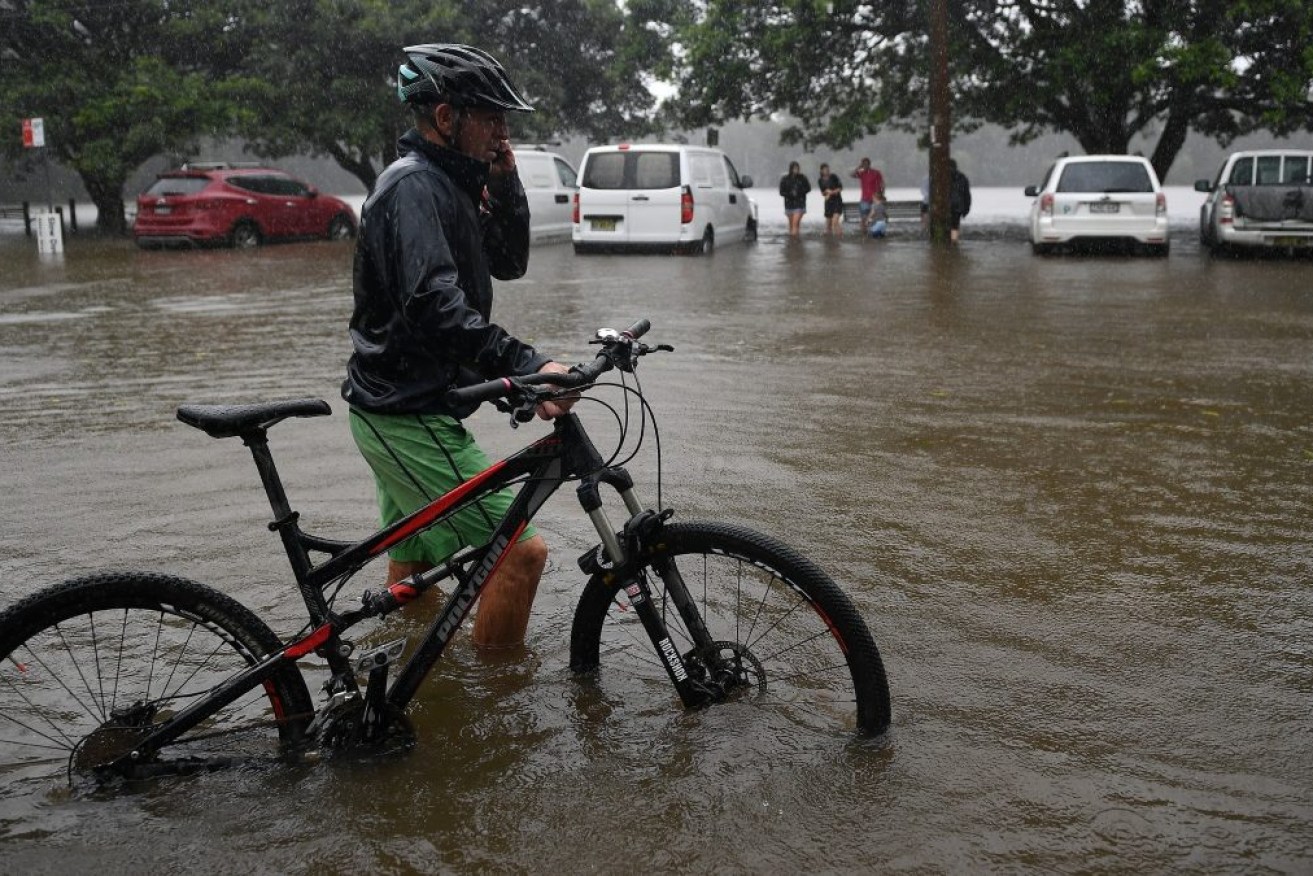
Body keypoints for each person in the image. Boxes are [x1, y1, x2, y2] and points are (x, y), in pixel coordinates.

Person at [343, 43, 572, 649]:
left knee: (414, 558)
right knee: (519, 553)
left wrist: (506, 179)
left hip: (405, 403)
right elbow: (435, 306)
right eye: (491, 117)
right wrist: (528, 365)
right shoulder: (413, 189)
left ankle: (397, 683)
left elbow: (508, 262)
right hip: (407, 413)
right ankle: (492, 719)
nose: (502, 131)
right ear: (446, 119)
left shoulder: (449, 183)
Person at [851, 157, 885, 235]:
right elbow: (852, 175)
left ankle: (875, 233)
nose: (865, 165)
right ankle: (864, 234)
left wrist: (882, 195)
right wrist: (859, 167)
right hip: (865, 199)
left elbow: (882, 184)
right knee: (864, 218)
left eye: (866, 164)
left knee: (874, 217)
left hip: (874, 199)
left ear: (869, 164)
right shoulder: (862, 173)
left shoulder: (876, 173)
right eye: (863, 164)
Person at [779, 161, 811, 237]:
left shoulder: (802, 178)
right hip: (789, 204)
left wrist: (799, 192)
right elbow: (781, 192)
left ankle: (794, 242)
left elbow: (808, 188)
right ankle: (795, 243)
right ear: (791, 169)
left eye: (797, 168)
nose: (796, 170)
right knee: (792, 225)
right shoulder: (785, 179)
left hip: (800, 203)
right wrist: (790, 194)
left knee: (795, 223)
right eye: (794, 168)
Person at [949, 159, 972, 243]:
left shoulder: (943, 176)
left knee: (947, 225)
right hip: (957, 206)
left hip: (947, 206)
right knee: (955, 226)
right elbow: (967, 195)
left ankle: (948, 243)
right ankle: (954, 242)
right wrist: (966, 208)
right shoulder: (962, 177)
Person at [818, 163, 844, 236]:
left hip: (837, 201)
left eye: (828, 169)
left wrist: (832, 192)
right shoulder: (820, 180)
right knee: (828, 225)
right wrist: (826, 192)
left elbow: (840, 188)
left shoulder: (834, 177)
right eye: (825, 169)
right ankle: (829, 242)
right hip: (828, 202)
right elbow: (823, 192)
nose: (827, 170)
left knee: (835, 222)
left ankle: (840, 238)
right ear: (821, 171)